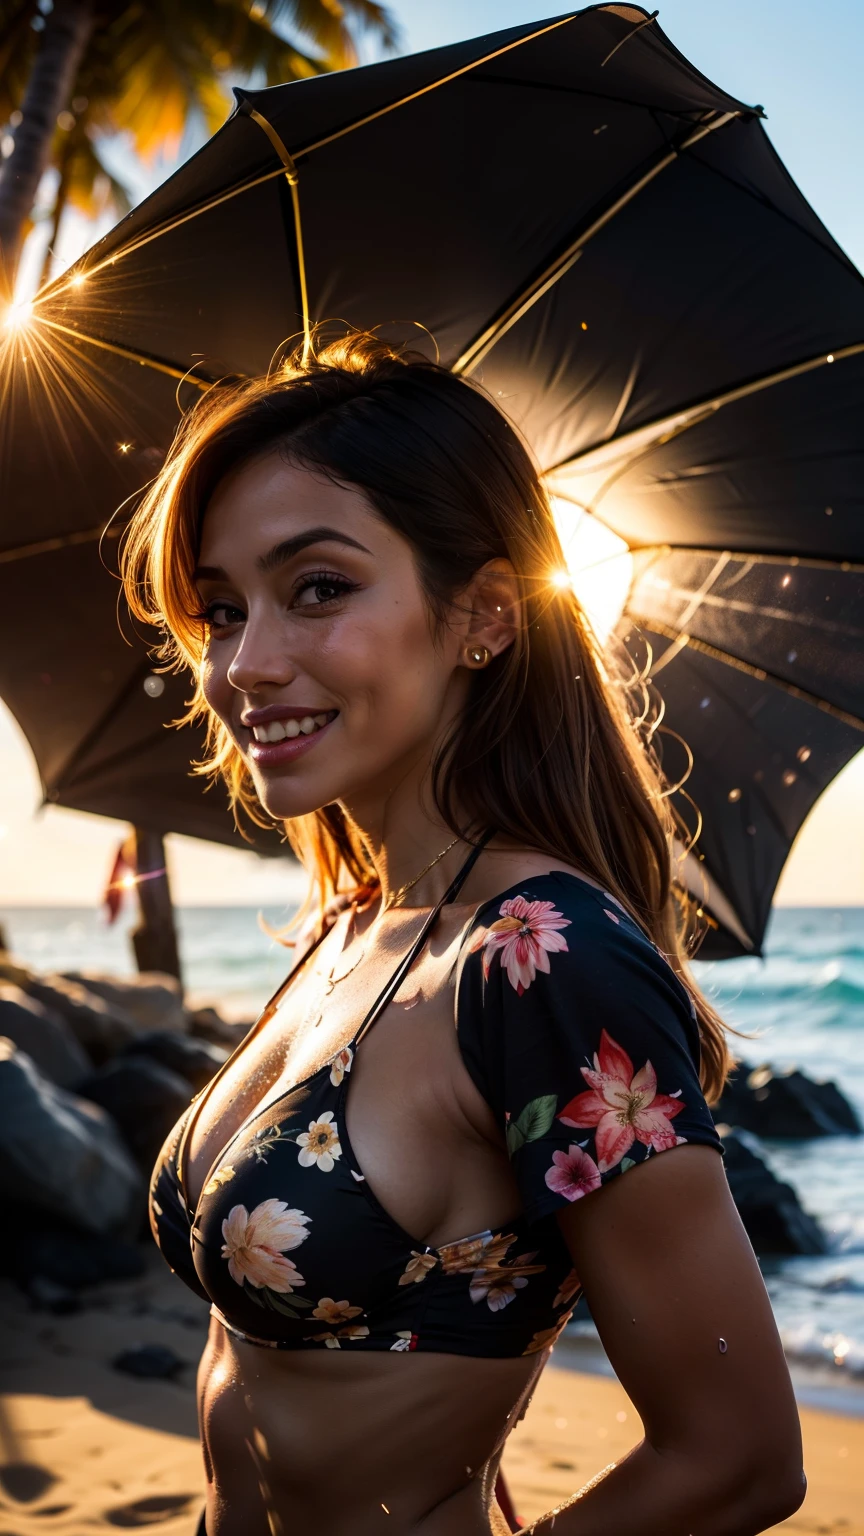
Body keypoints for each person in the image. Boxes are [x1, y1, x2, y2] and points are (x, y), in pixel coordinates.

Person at [124, 333, 805, 1536]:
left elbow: (739, 1457)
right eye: (221, 609)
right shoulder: (358, 921)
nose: (243, 665)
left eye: (318, 587)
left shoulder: (543, 958)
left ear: (485, 614)